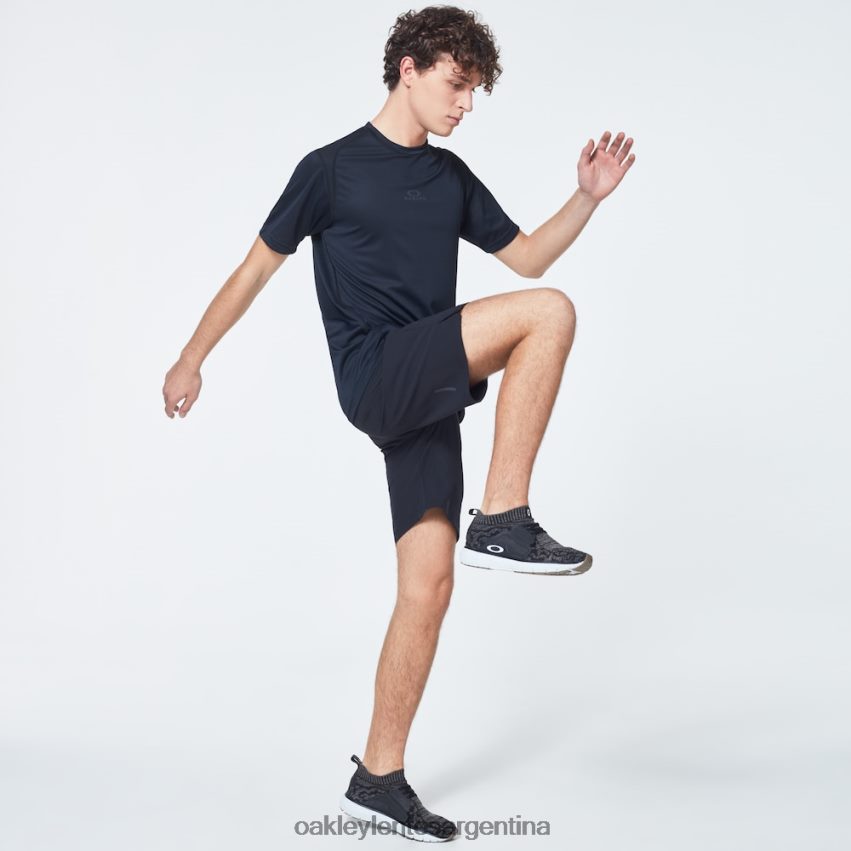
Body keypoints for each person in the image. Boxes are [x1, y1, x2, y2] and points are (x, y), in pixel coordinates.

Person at [162, 5, 635, 842]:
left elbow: (526, 256)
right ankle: (503, 516)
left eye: (475, 90)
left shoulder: (449, 178)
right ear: (407, 70)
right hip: (379, 369)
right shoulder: (329, 171)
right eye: (456, 84)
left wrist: (586, 198)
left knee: (428, 585)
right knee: (549, 313)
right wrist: (191, 357)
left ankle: (378, 775)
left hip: (427, 387)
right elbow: (253, 271)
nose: (466, 104)